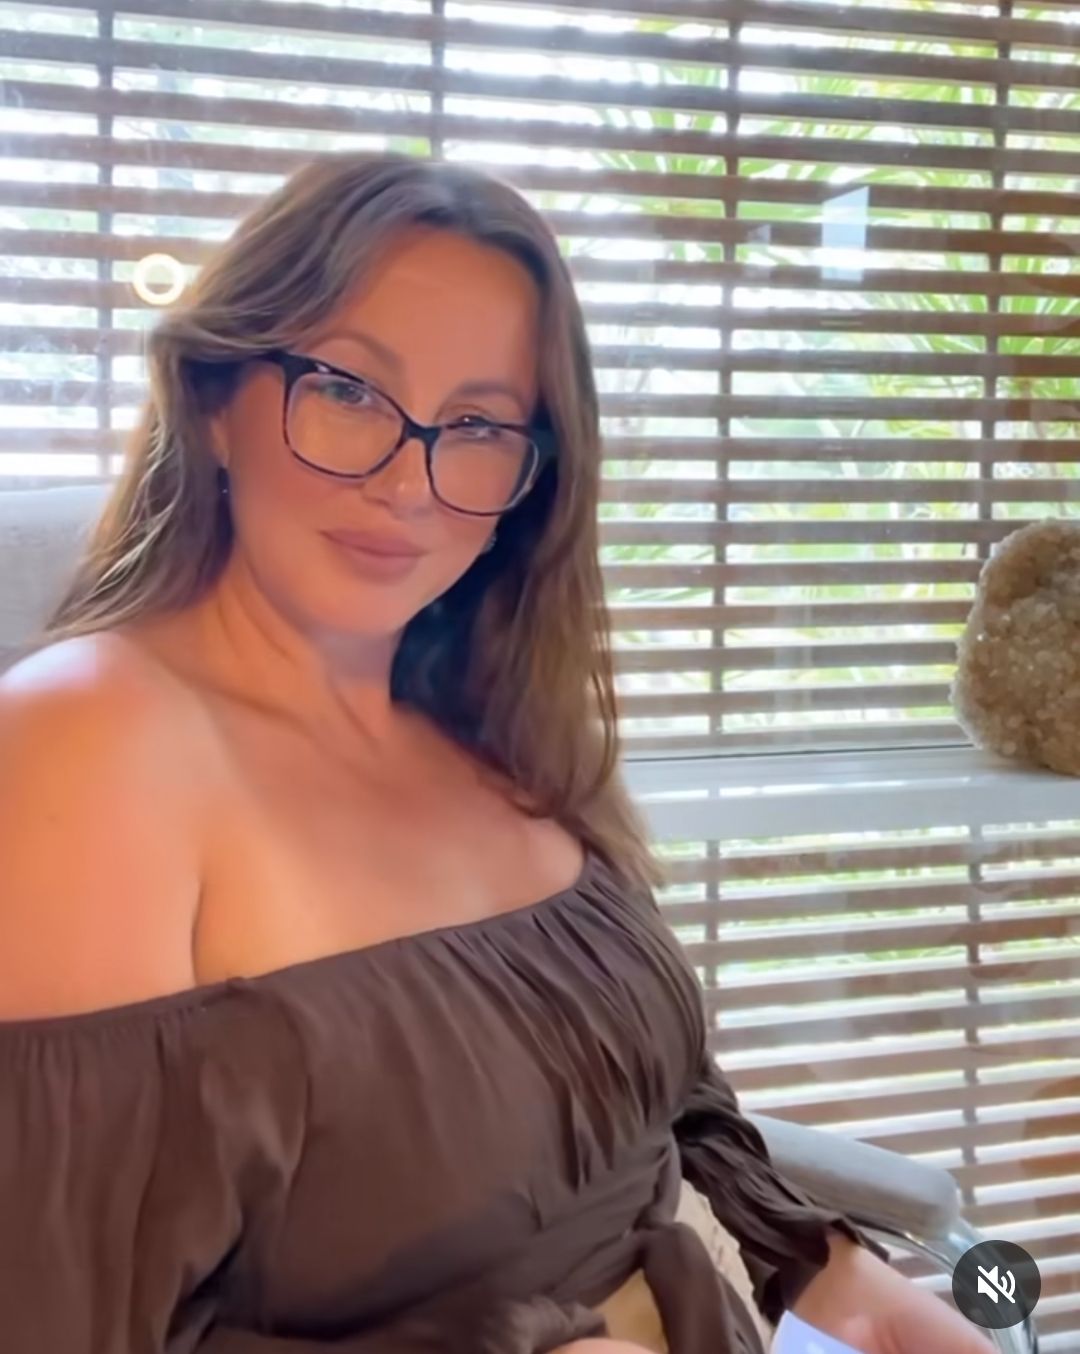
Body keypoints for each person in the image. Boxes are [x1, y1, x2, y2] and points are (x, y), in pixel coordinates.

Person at [0, 155, 993, 1354]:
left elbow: (660, 1125)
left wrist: (846, 1283)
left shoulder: (494, 721)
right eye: (349, 389)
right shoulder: (82, 748)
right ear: (215, 399)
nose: (406, 480)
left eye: (476, 424)